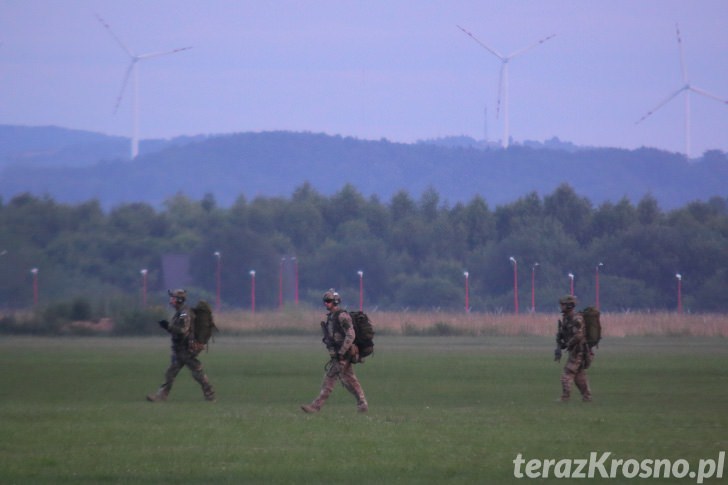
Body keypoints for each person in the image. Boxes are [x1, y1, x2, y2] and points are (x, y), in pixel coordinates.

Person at [301, 289, 368, 413]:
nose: (326, 303)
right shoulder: (331, 317)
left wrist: (342, 352)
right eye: (325, 301)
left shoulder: (342, 316)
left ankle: (315, 406)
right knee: (350, 380)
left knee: (329, 379)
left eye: (329, 301)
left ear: (335, 302)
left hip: (344, 354)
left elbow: (350, 335)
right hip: (339, 354)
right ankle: (362, 403)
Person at [146, 289, 216, 402]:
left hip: (185, 348)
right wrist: (168, 327)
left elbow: (183, 330)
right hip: (181, 348)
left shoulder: (184, 312)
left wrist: (168, 326)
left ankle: (210, 395)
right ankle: (161, 396)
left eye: (173, 298)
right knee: (174, 372)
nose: (171, 300)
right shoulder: (180, 312)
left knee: (193, 372)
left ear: (179, 300)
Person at [554, 294, 593, 402]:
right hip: (575, 350)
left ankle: (565, 397)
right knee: (579, 375)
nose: (561, 307)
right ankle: (587, 396)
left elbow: (579, 335)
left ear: (569, 306)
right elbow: (564, 335)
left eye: (563, 305)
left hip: (579, 351)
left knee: (567, 373)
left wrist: (567, 344)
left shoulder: (577, 319)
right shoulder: (566, 319)